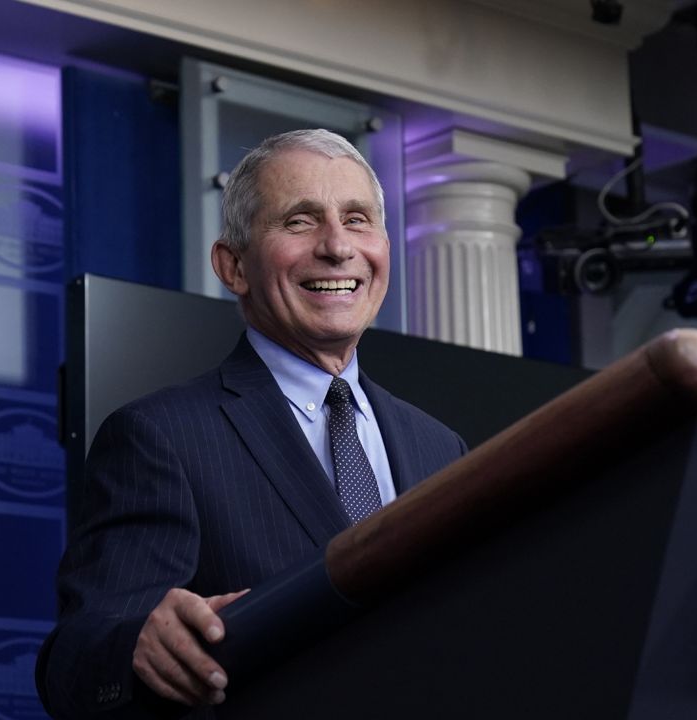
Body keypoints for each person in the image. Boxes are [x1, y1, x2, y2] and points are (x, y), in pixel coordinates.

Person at [36, 129, 467, 719]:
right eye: (300, 221)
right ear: (233, 266)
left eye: (358, 219)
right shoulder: (161, 438)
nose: (339, 247)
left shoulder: (441, 448)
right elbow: (75, 659)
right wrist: (138, 646)